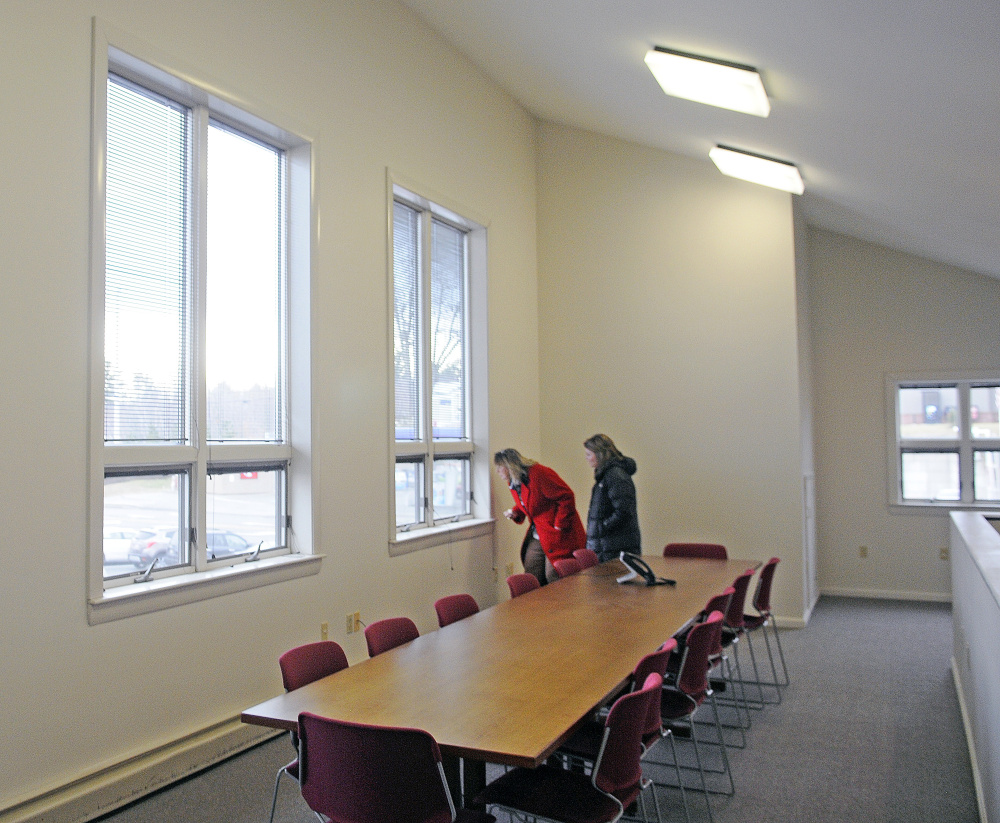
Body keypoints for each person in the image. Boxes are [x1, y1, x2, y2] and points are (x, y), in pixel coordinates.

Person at [494, 448, 586, 585]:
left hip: (557, 533)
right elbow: (528, 503)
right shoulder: (513, 482)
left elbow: (566, 496)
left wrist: (559, 524)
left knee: (554, 575)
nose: (497, 472)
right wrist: (515, 512)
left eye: (499, 468)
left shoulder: (539, 474)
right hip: (539, 533)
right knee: (532, 573)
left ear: (509, 466)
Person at [583, 434, 641, 563]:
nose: (587, 459)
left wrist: (602, 527)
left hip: (615, 546)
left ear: (599, 454)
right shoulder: (605, 475)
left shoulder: (615, 475)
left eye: (588, 454)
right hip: (607, 545)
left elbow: (624, 510)